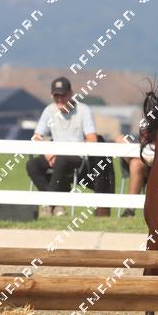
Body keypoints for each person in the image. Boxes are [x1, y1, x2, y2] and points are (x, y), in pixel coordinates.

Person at [27, 76, 97, 216]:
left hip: (77, 158)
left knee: (62, 160)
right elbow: (37, 136)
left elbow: (92, 139)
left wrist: (64, 152)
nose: (59, 99)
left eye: (63, 95)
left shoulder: (83, 110)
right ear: (51, 95)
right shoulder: (49, 110)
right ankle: (58, 204)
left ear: (71, 94)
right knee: (32, 165)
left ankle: (48, 205)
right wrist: (47, 153)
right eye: (56, 95)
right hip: (54, 156)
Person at [116, 134, 151, 218]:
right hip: (142, 150)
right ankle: (140, 158)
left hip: (156, 160)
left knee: (136, 164)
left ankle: (130, 209)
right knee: (120, 139)